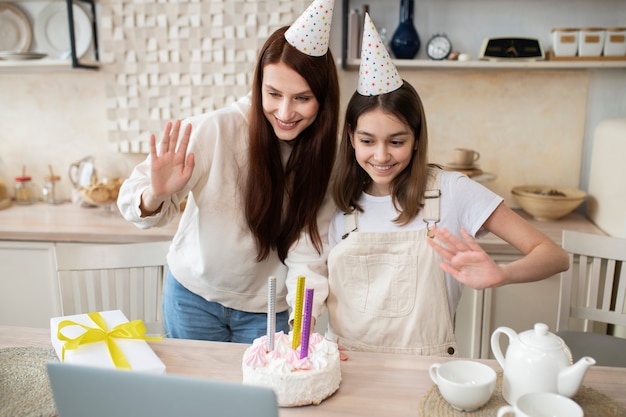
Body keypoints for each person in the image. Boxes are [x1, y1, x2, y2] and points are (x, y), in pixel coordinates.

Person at [325, 15, 569, 356]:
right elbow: (310, 286)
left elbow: (556, 257)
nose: (381, 156)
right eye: (368, 140)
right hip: (350, 372)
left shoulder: (452, 191)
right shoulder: (334, 205)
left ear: (416, 138)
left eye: (396, 142)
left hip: (425, 376)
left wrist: (502, 273)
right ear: (351, 137)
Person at [117, 0, 339, 343]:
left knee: (261, 398)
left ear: (323, 100)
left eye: (302, 98)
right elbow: (135, 204)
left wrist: (303, 324)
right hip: (192, 299)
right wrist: (157, 195)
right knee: (192, 397)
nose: (285, 111)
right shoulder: (215, 130)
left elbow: (308, 252)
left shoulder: (328, 161)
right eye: (274, 93)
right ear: (258, 86)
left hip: (269, 310)